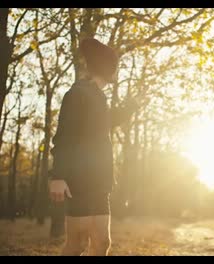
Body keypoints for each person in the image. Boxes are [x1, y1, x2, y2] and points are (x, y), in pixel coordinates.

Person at [48, 38, 147, 256]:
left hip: (100, 183)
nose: (117, 71)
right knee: (77, 244)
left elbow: (106, 122)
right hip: (80, 180)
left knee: (102, 243)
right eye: (115, 66)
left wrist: (131, 105)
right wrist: (58, 176)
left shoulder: (97, 96)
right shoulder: (77, 94)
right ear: (106, 67)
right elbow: (64, 136)